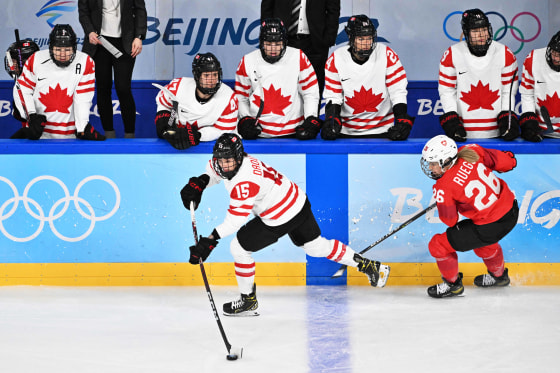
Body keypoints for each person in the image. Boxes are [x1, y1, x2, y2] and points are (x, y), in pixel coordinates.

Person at [180, 133, 390, 316]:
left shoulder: (245, 181)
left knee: (239, 247)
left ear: (239, 157)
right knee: (316, 246)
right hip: (297, 201)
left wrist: (210, 240)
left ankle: (248, 300)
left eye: (229, 161)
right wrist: (201, 182)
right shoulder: (237, 162)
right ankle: (369, 266)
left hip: (279, 215)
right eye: (221, 160)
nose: (224, 165)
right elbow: (215, 172)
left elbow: (235, 220)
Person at [420, 135, 518, 298]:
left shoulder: (443, 187)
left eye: (433, 163)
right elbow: (507, 163)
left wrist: (445, 200)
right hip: (511, 211)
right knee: (482, 243)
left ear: (446, 161)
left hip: (490, 226)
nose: (430, 167)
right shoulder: (471, 151)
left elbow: (450, 221)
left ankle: (453, 286)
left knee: (438, 245)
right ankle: (499, 277)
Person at [321, 15, 415, 140]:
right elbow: (334, 96)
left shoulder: (387, 54)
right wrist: (332, 119)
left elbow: (397, 90)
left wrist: (401, 116)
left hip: (384, 130)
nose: (366, 43)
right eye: (361, 39)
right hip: (347, 132)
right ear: (350, 37)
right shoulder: (336, 58)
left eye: (369, 38)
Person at [438, 9, 519, 142]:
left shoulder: (505, 53)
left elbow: (508, 92)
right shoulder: (452, 54)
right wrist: (452, 119)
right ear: (466, 33)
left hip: (496, 133)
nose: (481, 35)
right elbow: (446, 90)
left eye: (484, 29)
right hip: (464, 132)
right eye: (475, 31)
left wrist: (506, 119)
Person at [234, 18, 321, 140]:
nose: (273, 49)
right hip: (259, 133)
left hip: (294, 131)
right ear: (261, 43)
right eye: (268, 44)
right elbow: (241, 96)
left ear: (284, 42)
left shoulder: (298, 57)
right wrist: (245, 118)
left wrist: (311, 118)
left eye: (277, 44)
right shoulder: (247, 61)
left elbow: (310, 92)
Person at [13, 24, 104, 140]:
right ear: (51, 47)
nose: (62, 54)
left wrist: (82, 128)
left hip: (70, 136)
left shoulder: (85, 62)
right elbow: (22, 88)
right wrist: (31, 116)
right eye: (58, 49)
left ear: (74, 48)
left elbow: (83, 98)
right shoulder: (36, 59)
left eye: (67, 50)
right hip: (39, 134)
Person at [78, 0, 147, 138]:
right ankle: (109, 134)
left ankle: (129, 135)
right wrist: (90, 31)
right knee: (103, 88)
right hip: (99, 43)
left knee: (123, 88)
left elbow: (140, 10)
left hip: (125, 42)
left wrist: (139, 37)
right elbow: (83, 11)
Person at [154, 53, 238, 150]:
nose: (212, 80)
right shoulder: (178, 87)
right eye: (206, 75)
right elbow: (163, 104)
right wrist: (164, 123)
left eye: (215, 74)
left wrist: (198, 135)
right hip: (174, 140)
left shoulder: (229, 97)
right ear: (197, 76)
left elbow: (222, 130)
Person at [261, 0, 340, 99]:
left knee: (314, 89)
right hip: (284, 42)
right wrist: (268, 35)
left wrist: (328, 39)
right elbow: (267, 8)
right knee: (282, 87)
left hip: (315, 43)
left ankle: (312, 114)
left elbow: (333, 11)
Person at [519, 31, 560, 141]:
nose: (555, 58)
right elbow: (527, 94)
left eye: (559, 55)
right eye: (554, 52)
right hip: (540, 131)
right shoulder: (533, 59)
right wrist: (530, 123)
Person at [4, 37, 39, 138]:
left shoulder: (40, 83)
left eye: (14, 61)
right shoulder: (19, 84)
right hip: (31, 133)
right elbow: (21, 116)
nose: (11, 66)